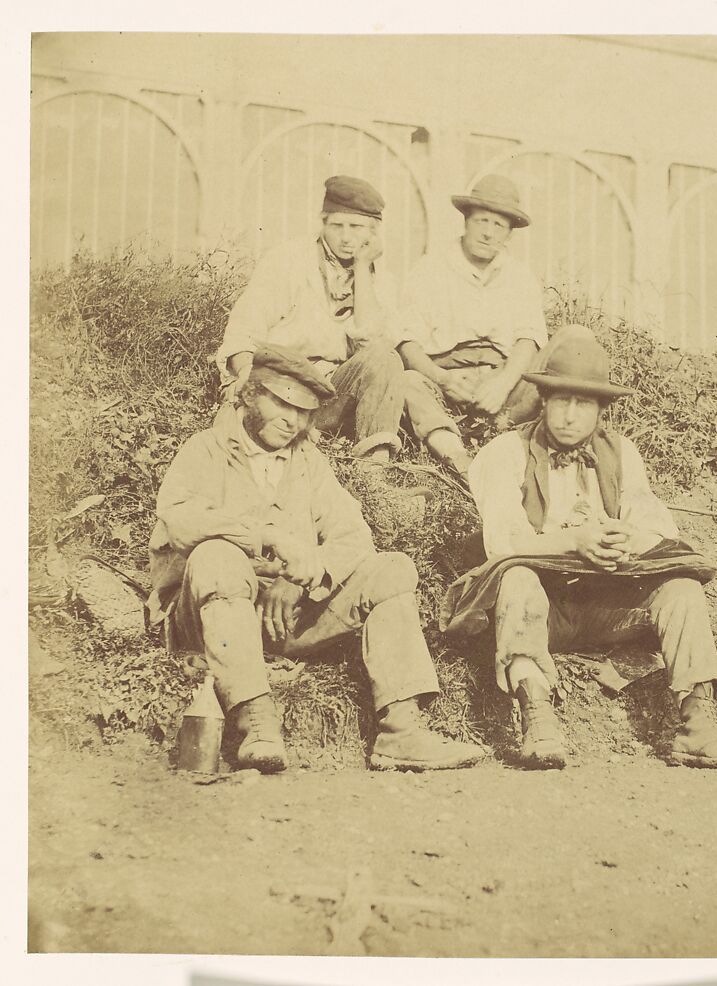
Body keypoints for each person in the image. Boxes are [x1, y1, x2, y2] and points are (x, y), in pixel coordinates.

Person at [147, 345, 485, 773]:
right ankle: (257, 722)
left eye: (304, 411)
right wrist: (264, 535)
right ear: (250, 394)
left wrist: (303, 577)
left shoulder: (308, 462)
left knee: (393, 568)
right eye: (281, 403)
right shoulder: (206, 450)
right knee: (216, 555)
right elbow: (180, 522)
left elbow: (354, 537)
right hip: (211, 616)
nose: (292, 420)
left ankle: (401, 730)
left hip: (285, 617)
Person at [440, 325, 717, 771]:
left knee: (682, 587)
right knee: (516, 576)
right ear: (543, 401)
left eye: (583, 403)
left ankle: (699, 721)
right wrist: (573, 541)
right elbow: (504, 542)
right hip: (542, 610)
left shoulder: (622, 453)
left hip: (607, 608)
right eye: (561, 401)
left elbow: (657, 528)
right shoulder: (504, 453)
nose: (570, 415)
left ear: (601, 409)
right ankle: (537, 717)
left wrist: (626, 539)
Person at [215, 175, 471, 474]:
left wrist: (362, 268)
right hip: (279, 386)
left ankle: (375, 467)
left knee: (385, 356)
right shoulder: (288, 260)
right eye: (337, 226)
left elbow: (372, 344)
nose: (346, 238)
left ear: (374, 233)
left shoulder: (381, 281)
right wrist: (246, 373)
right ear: (323, 223)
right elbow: (243, 330)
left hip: (330, 392)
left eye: (357, 227)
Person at [395, 173, 557, 431]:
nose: (488, 234)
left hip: (503, 384)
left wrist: (503, 383)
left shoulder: (520, 276)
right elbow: (406, 342)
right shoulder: (429, 269)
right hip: (446, 383)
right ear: (466, 221)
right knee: (407, 382)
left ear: (509, 234)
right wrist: (443, 378)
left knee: (570, 344)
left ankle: (505, 426)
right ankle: (452, 448)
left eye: (498, 226)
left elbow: (529, 338)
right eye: (482, 221)